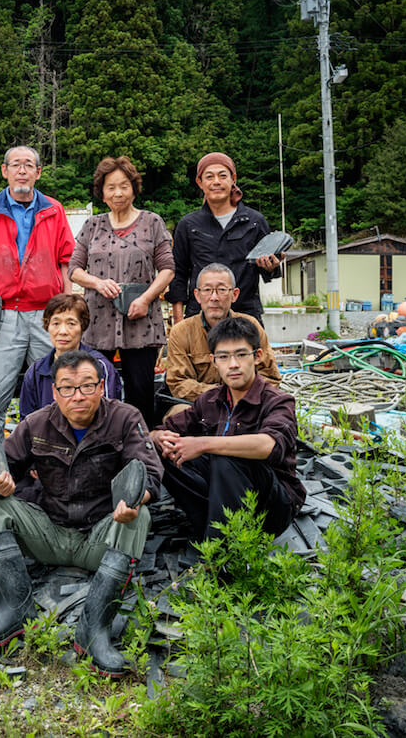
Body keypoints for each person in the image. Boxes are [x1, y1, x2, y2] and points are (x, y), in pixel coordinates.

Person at [0, 350, 162, 676]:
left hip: (101, 534)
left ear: (101, 387)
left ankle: (94, 628)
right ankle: (14, 611)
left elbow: (150, 473)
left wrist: (137, 500)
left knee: (140, 515)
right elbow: (2, 462)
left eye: (86, 387)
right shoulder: (37, 423)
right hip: (49, 533)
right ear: (55, 392)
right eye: (67, 388)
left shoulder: (125, 418)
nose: (78, 396)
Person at [151, 316, 305, 541]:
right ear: (214, 361)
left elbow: (268, 445)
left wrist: (202, 444)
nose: (233, 364)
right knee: (165, 448)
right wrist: (158, 436)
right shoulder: (210, 400)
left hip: (271, 505)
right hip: (220, 496)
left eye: (241, 355)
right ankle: (205, 526)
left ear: (257, 356)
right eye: (224, 357)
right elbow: (166, 429)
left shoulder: (277, 401)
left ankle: (223, 556)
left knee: (226, 458)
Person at [0, 145, 75, 441]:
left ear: (38, 173)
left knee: (61, 389)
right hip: (3, 314)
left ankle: (56, 462)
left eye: (28, 165)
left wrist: (67, 307)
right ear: (5, 171)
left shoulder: (54, 209)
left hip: (46, 315)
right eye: (15, 165)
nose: (21, 170)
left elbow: (66, 260)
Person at [69, 156, 174, 426]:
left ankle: (142, 454)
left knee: (140, 394)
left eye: (124, 186)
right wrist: (96, 282)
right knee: (94, 389)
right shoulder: (93, 225)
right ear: (101, 193)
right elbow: (74, 269)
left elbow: (167, 269)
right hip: (98, 323)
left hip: (140, 321)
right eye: (111, 187)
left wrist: (146, 298)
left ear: (134, 188)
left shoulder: (152, 222)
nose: (118, 193)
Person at [167, 152, 284, 324]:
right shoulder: (188, 224)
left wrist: (271, 266)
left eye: (223, 176)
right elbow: (178, 274)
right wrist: (179, 324)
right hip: (200, 316)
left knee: (251, 352)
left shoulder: (254, 221)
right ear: (200, 182)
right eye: (209, 176)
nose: (216, 182)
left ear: (233, 179)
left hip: (245, 315)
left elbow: (267, 270)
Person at [164, 263, 280, 417]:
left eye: (222, 290)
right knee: (175, 415)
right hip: (200, 405)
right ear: (197, 295)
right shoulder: (181, 332)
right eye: (207, 290)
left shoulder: (251, 326)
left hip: (245, 404)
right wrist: (222, 395)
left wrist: (239, 396)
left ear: (235, 294)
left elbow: (270, 377)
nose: (214, 297)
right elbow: (179, 383)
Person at [19, 293, 121, 418]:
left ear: (82, 326)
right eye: (56, 324)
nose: (62, 331)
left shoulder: (100, 366)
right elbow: (28, 422)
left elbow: (109, 418)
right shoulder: (36, 372)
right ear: (47, 326)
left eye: (71, 324)